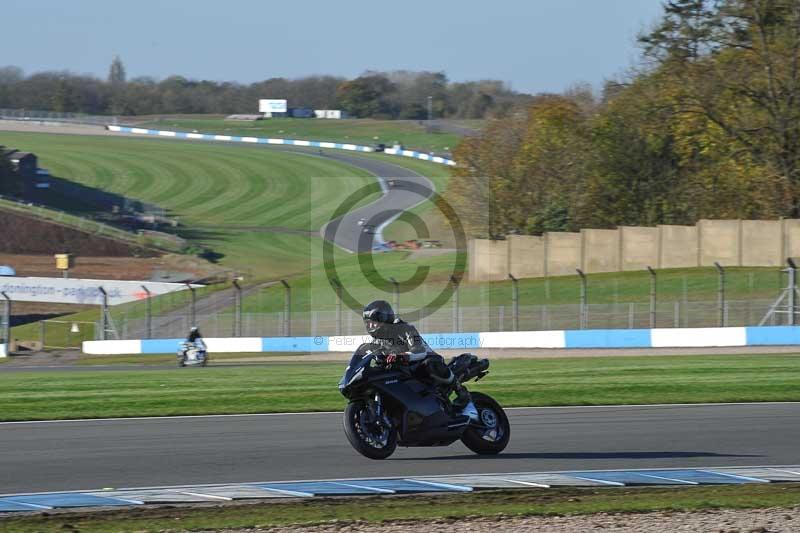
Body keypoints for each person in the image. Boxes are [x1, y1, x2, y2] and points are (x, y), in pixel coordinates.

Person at [362, 300, 474, 414]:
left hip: (424, 362)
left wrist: (402, 356)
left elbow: (419, 351)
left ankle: (461, 391)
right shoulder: (377, 342)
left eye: (373, 322)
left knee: (431, 364)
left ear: (384, 318)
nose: (370, 326)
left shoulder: (404, 329)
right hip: (406, 371)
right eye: (368, 323)